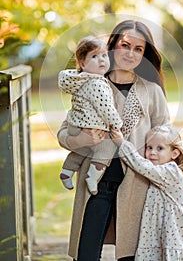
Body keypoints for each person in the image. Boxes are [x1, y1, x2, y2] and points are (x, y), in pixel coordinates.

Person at [57, 20, 170, 261]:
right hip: (96, 183)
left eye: (138, 49)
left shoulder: (151, 91)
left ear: (144, 54)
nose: (130, 53)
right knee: (86, 253)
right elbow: (64, 133)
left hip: (137, 184)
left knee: (132, 253)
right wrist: (81, 140)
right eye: (125, 45)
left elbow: (166, 135)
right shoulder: (89, 83)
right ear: (112, 46)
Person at [117, 124, 183, 261]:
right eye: (149, 147)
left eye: (159, 148)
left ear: (174, 153)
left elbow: (141, 165)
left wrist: (122, 144)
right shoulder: (159, 171)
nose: (152, 152)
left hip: (172, 239)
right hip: (155, 238)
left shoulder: (171, 172)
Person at [58, 36, 123, 194]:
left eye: (104, 55)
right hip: (86, 128)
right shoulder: (96, 84)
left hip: (76, 125)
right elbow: (106, 108)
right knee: (106, 148)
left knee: (84, 150)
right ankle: (92, 177)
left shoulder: (84, 80)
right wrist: (117, 124)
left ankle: (66, 172)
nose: (101, 60)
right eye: (94, 56)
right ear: (82, 64)